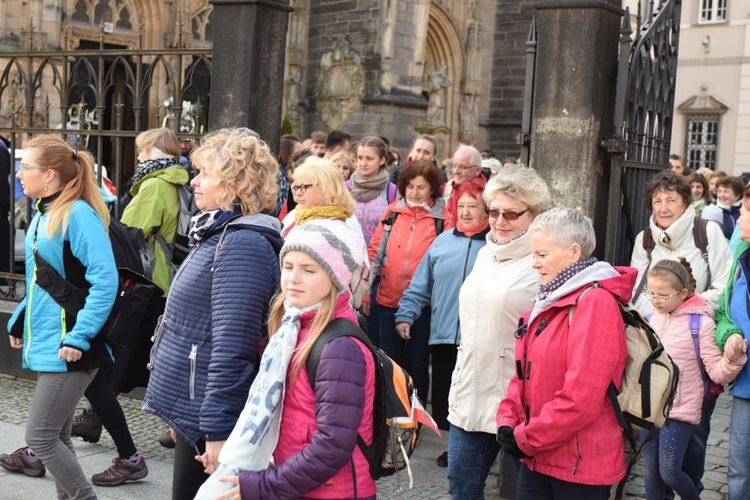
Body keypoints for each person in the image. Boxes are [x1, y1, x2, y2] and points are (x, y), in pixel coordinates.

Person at [142, 128, 283, 500]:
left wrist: (217, 431)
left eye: (205, 173)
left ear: (236, 183)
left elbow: (232, 344)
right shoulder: (218, 233)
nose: (194, 180)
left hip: (213, 418)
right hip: (197, 410)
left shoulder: (242, 244)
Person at [214, 219, 375, 500]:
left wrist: (264, 485)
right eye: (288, 267)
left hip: (331, 492)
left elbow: (332, 447)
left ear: (335, 277)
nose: (293, 278)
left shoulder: (339, 348)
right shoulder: (293, 327)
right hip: (299, 485)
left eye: (308, 270)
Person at [0, 135, 118, 498]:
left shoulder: (77, 214)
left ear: (49, 174)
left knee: (40, 437)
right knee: (58, 436)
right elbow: (43, 279)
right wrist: (20, 318)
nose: (18, 174)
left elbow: (106, 280)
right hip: (53, 341)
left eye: (26, 167)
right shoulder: (45, 212)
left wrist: (78, 336)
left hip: (71, 347)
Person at [497, 208, 636, 499]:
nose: (534, 263)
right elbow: (523, 371)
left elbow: (581, 397)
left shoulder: (594, 302)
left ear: (574, 252)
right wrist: (507, 420)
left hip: (578, 465)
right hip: (537, 456)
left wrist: (525, 437)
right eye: (533, 254)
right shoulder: (550, 295)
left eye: (542, 255)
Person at [446, 168, 550, 498]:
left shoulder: (543, 263)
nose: (500, 220)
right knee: (461, 490)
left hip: (519, 400)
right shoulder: (484, 254)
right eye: (493, 211)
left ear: (535, 215)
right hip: (469, 390)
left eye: (511, 214)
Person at [630, 171, 732, 494]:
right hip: (655, 351)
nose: (663, 206)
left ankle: (693, 488)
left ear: (686, 201)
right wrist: (657, 309)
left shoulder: (707, 232)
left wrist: (688, 304)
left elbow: (725, 286)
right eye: (657, 200)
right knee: (653, 457)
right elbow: (636, 290)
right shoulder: (645, 239)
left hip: (694, 349)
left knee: (695, 438)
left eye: (671, 199)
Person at [395, 180, 489, 468]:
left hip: (481, 337)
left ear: (487, 209)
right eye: (461, 205)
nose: (466, 212)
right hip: (444, 335)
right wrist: (405, 314)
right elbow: (420, 284)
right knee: (448, 397)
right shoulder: (443, 241)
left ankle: (475, 452)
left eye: (474, 205)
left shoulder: (495, 246)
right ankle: (454, 448)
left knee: (477, 397)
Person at [642, 258, 745, 500]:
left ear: (683, 293)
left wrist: (732, 359)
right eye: (652, 293)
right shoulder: (650, 319)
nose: (656, 300)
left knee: (669, 472)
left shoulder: (700, 324)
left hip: (680, 410)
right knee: (651, 473)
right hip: (648, 408)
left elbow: (716, 371)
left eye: (663, 295)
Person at [368, 160, 449, 404]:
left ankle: (416, 414)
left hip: (423, 306)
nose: (414, 192)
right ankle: (390, 413)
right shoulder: (393, 211)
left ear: (432, 188)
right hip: (388, 299)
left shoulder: (443, 218)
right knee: (389, 361)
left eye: (421, 187)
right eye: (410, 186)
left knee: (418, 363)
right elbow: (375, 251)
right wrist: (364, 290)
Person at [279, 157, 370, 308]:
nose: (296, 194)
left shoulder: (345, 224)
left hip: (326, 310)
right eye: (294, 186)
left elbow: (358, 279)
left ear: (325, 188)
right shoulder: (293, 216)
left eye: (303, 187)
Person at [715, 185, 750, 500]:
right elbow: (723, 312)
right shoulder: (741, 257)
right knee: (738, 471)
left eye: (747, 213)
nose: (739, 221)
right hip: (746, 388)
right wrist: (730, 335)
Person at [443, 146, 487, 221]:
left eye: (462, 167)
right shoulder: (448, 188)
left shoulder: (488, 194)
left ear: (477, 170)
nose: (456, 171)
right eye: (454, 166)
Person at [702, 175, 744, 240]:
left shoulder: (744, 211)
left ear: (737, 195)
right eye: (719, 191)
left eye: (726, 191)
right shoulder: (710, 211)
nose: (721, 195)